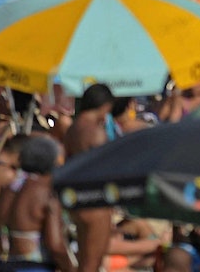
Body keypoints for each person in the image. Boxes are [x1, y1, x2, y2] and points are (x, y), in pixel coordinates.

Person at [0, 135, 76, 272]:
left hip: (5, 264)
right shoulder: (45, 191)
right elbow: (55, 244)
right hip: (33, 266)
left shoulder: (10, 187)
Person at [64, 84, 116, 272]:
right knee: (93, 263)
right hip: (96, 201)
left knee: (84, 261)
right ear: (104, 106)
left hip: (78, 200)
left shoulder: (73, 129)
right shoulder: (95, 132)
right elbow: (106, 169)